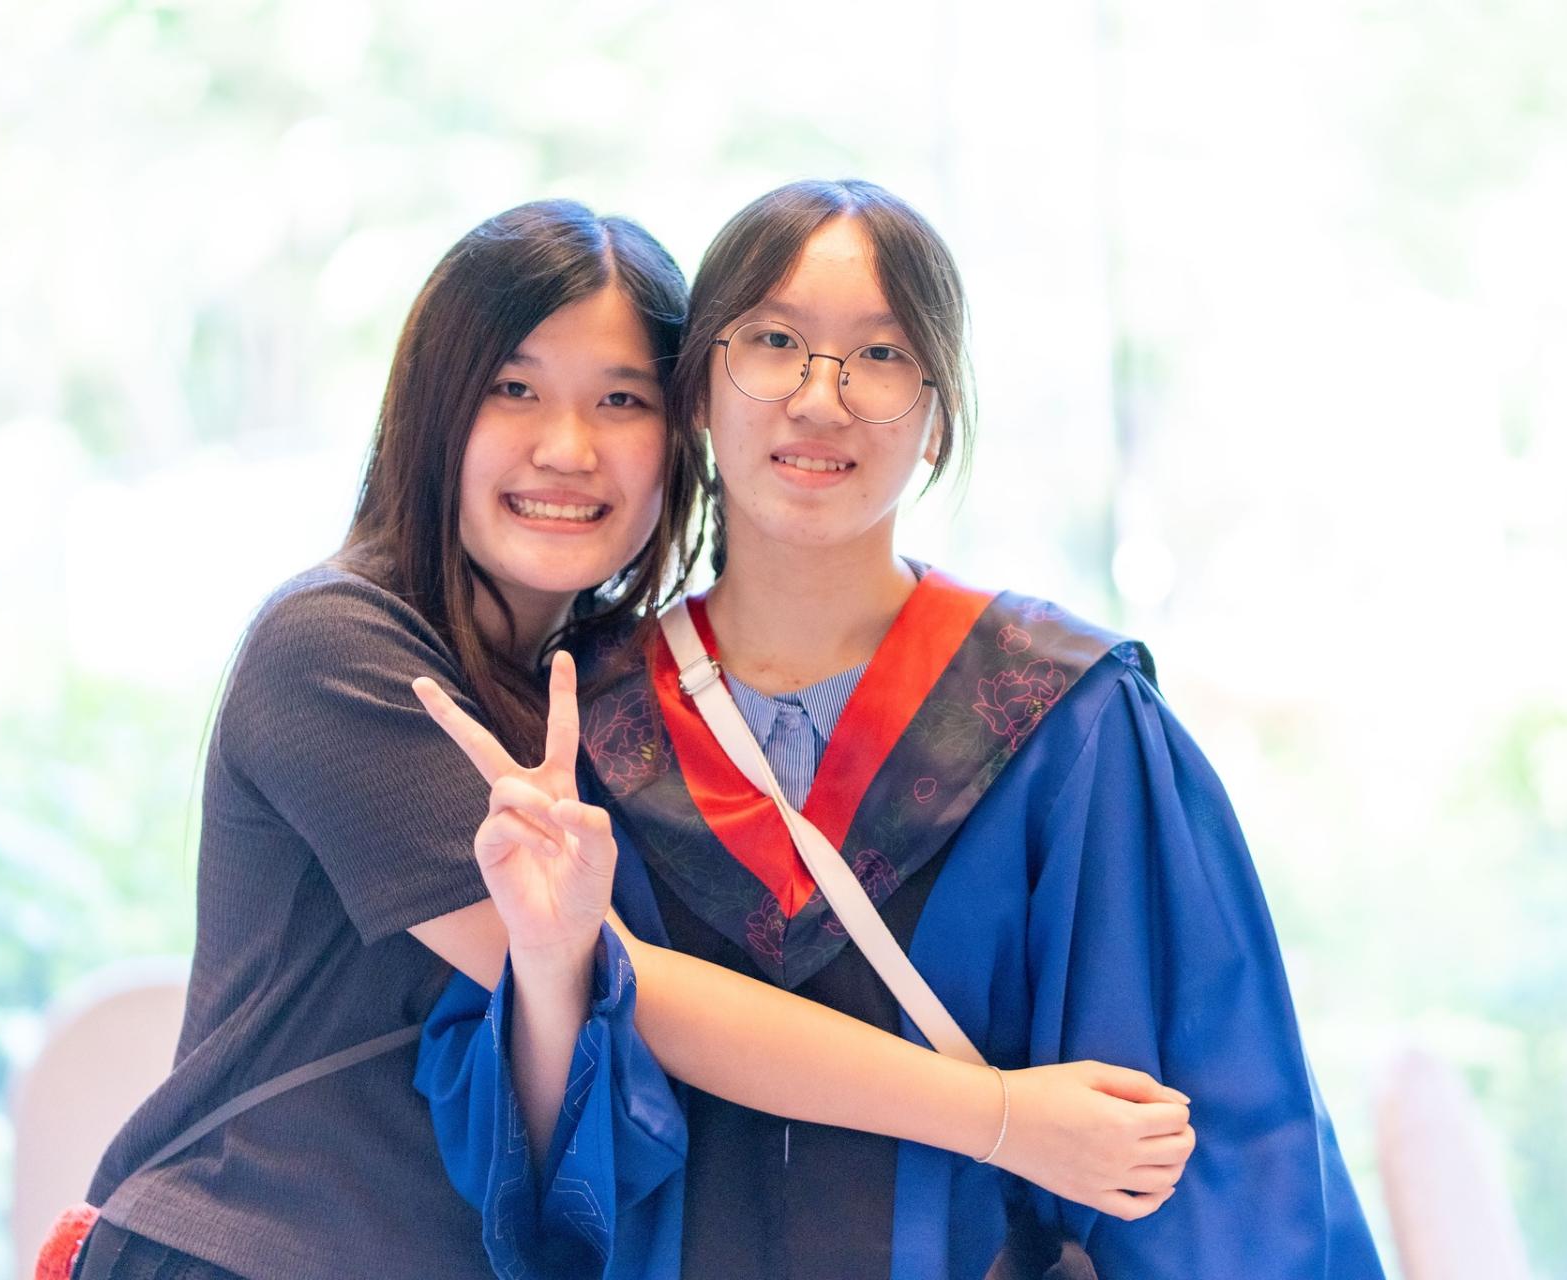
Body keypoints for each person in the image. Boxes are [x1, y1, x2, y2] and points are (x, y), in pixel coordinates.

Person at [68, 199, 1189, 1280]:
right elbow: (623, 983)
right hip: (248, 1244)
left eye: (619, 399)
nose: (568, 448)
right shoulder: (338, 650)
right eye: (514, 388)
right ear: (431, 408)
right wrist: (1002, 1116)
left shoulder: (596, 687)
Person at [416, 179, 1385, 1279]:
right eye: (773, 341)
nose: (819, 398)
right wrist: (552, 971)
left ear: (937, 419)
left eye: (880, 355)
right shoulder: (583, 729)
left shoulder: (1063, 722)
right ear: (696, 395)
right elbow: (526, 1171)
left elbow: (1206, 1166)